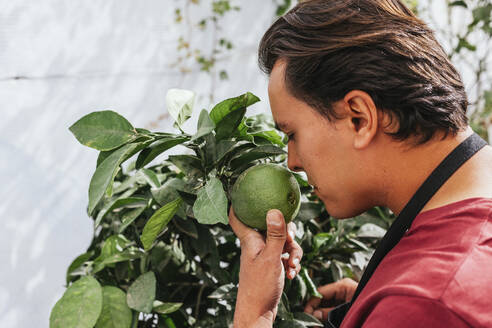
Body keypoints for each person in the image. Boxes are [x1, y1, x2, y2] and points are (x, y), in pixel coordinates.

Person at [229, 0, 492, 327]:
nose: (292, 162)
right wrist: (373, 307)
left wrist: (255, 315)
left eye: (292, 133)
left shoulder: (427, 301)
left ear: (359, 118)